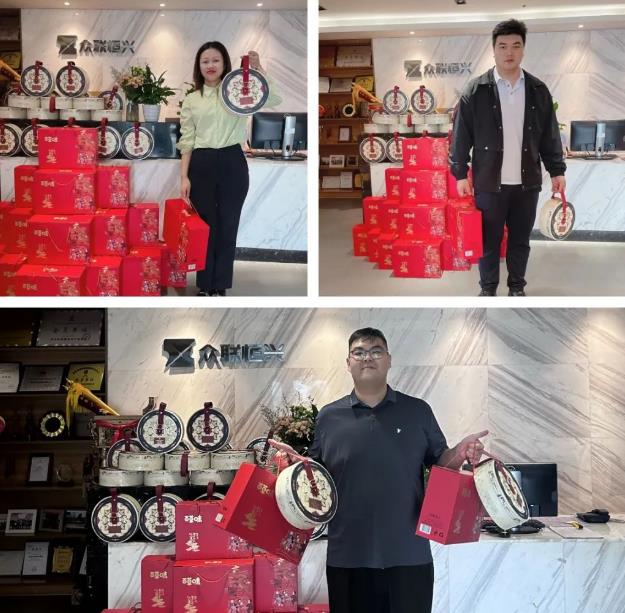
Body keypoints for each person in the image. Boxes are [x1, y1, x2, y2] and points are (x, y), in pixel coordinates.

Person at [308, 327, 488, 613]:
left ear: (389, 360)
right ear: (348, 362)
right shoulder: (328, 417)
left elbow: (440, 463)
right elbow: (312, 475)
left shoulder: (418, 411)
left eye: (376, 351)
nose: (368, 358)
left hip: (409, 554)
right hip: (348, 555)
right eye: (359, 352)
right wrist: (289, 466)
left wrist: (460, 452)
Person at [449, 19, 566, 297]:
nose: (509, 52)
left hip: (527, 184)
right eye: (502, 46)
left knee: (520, 241)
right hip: (489, 184)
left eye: (515, 45)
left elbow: (549, 135)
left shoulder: (538, 90)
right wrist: (459, 173)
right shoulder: (475, 91)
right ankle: (488, 289)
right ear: (493, 50)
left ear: (523, 49)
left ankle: (516, 288)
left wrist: (557, 170)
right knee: (488, 242)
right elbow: (461, 135)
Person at [177, 42, 282, 296]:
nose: (210, 65)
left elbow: (275, 98)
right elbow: (187, 139)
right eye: (205, 61)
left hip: (232, 161)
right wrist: (183, 177)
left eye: (216, 60)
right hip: (201, 163)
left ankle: (220, 284)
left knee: (228, 225)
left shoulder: (236, 92)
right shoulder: (192, 99)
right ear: (198, 66)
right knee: (206, 227)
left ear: (225, 63)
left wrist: (258, 69)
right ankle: (205, 285)